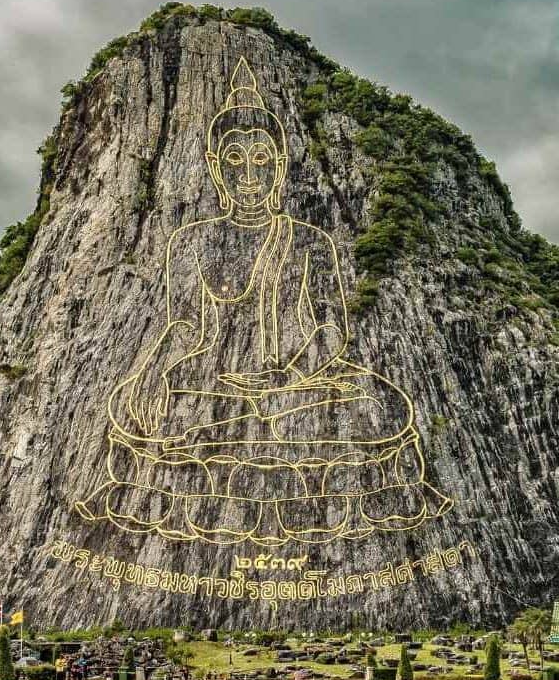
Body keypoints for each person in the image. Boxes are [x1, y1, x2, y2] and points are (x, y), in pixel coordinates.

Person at [74, 57, 451, 545]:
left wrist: (289, 376)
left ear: (279, 166)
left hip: (297, 388)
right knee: (144, 403)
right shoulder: (192, 240)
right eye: (234, 160)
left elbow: (332, 328)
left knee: (377, 403)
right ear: (214, 166)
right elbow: (187, 325)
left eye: (261, 161)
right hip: (217, 385)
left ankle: (249, 468)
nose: (248, 175)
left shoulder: (310, 240)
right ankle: (245, 468)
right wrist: (153, 368)